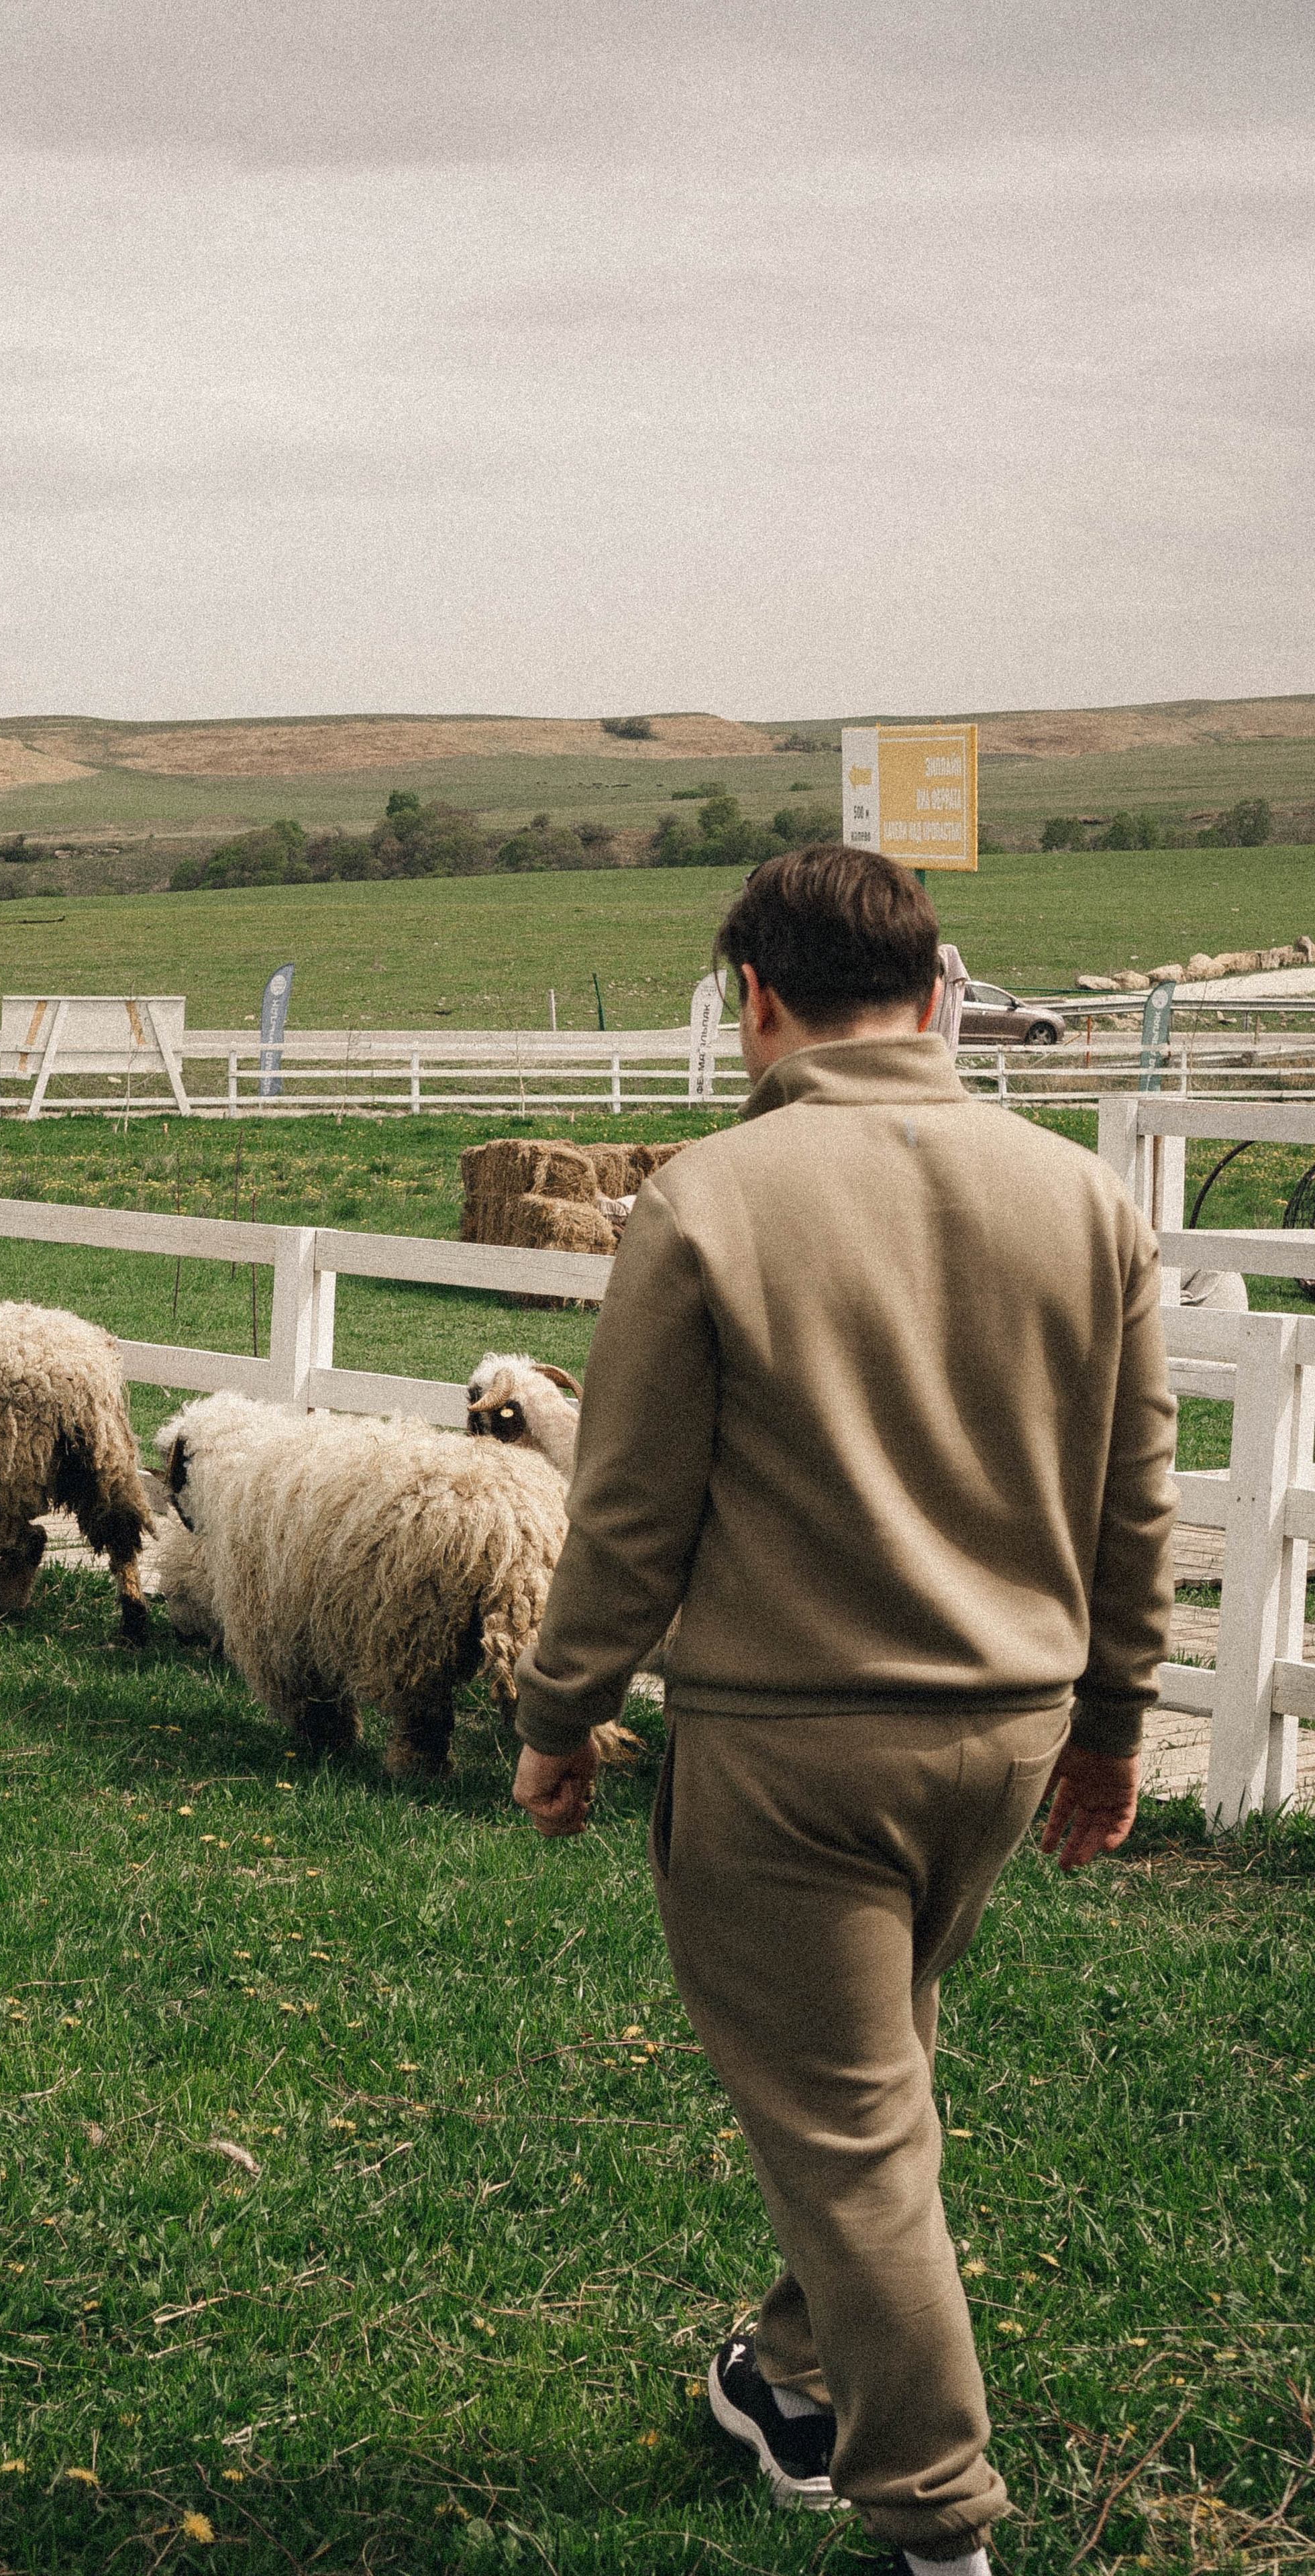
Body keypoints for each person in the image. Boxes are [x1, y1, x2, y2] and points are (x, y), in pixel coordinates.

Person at [511, 846, 1177, 2576]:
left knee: (855, 2133)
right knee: (873, 2082)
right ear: (938, 987)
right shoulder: (1083, 1200)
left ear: (756, 998)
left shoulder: (706, 1205)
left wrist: (561, 1710)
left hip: (793, 1749)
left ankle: (938, 2525)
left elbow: (630, 1513)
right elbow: (1135, 1500)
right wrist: (1115, 1721)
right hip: (1006, 1741)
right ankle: (793, 2377)